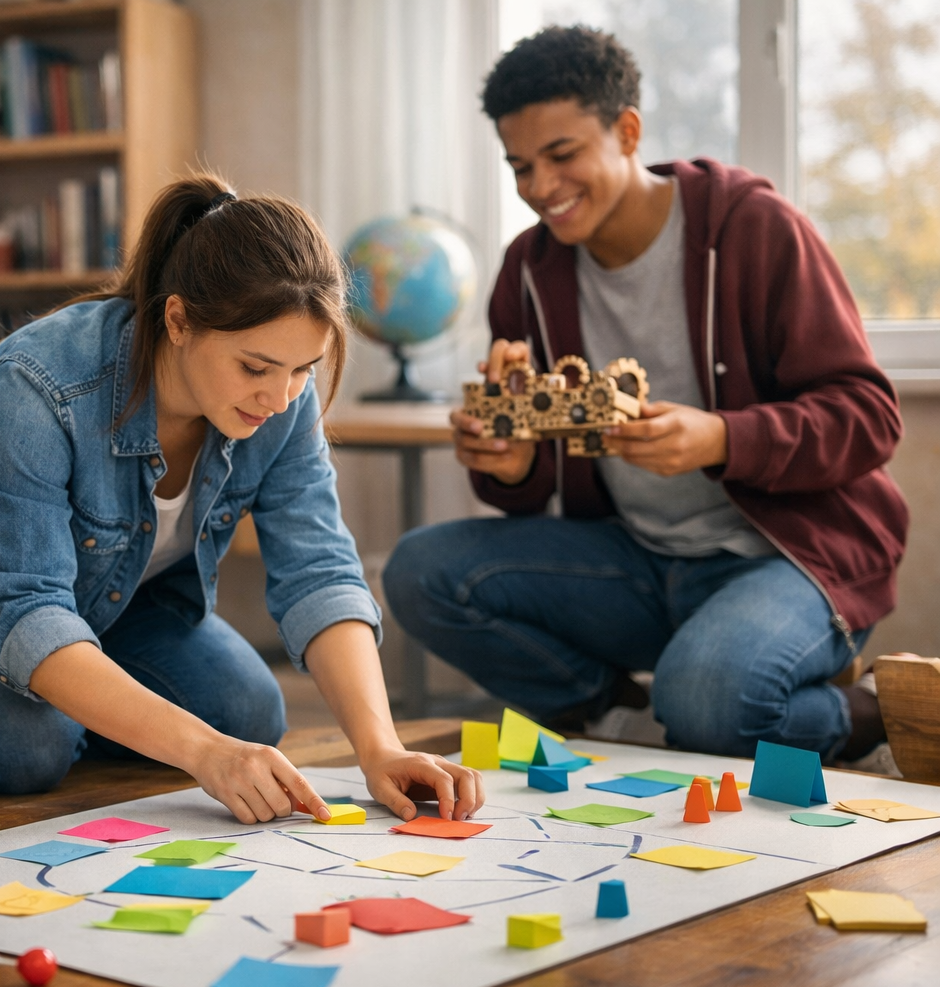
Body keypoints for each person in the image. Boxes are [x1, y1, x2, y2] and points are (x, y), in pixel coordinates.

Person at [0, 175, 483, 825]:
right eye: (255, 368)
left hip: (110, 608)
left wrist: (379, 748)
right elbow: (24, 610)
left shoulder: (281, 396)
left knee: (249, 713)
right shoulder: (39, 386)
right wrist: (203, 752)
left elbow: (319, 570)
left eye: (303, 370)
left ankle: (80, 709)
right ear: (178, 320)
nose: (280, 398)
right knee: (27, 749)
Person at [384, 26, 907, 767]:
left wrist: (724, 438)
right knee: (419, 571)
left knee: (709, 706)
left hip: (786, 559)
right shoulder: (527, 271)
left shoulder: (755, 228)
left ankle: (868, 714)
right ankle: (617, 718)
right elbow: (532, 490)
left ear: (627, 131)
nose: (539, 188)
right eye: (520, 166)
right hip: (633, 559)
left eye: (562, 156)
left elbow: (869, 415)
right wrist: (507, 464)